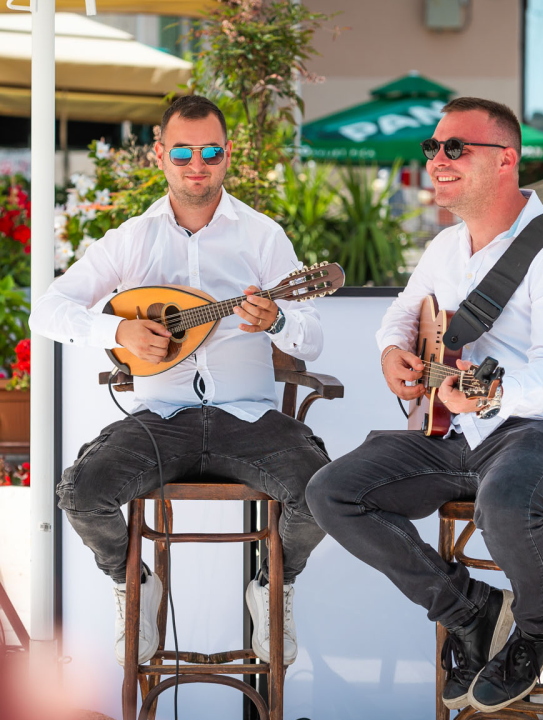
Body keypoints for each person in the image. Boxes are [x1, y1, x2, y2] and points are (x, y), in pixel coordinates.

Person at [306, 97, 543, 713]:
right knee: (331, 491)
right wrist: (393, 354)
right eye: (433, 148)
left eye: (455, 148)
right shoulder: (446, 247)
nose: (437, 160)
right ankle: (468, 608)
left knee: (506, 500)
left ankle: (532, 634)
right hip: (461, 436)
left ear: (506, 160)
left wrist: (491, 391)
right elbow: (399, 315)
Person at [29, 95, 328, 667]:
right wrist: (117, 332)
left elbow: (312, 338)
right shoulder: (132, 238)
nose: (198, 164)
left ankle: (273, 584)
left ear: (228, 155)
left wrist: (280, 320)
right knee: (81, 493)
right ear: (161, 156)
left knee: (320, 490)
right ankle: (135, 585)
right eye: (184, 152)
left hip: (249, 419)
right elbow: (47, 310)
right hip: (160, 422)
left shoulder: (261, 237)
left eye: (211, 151)